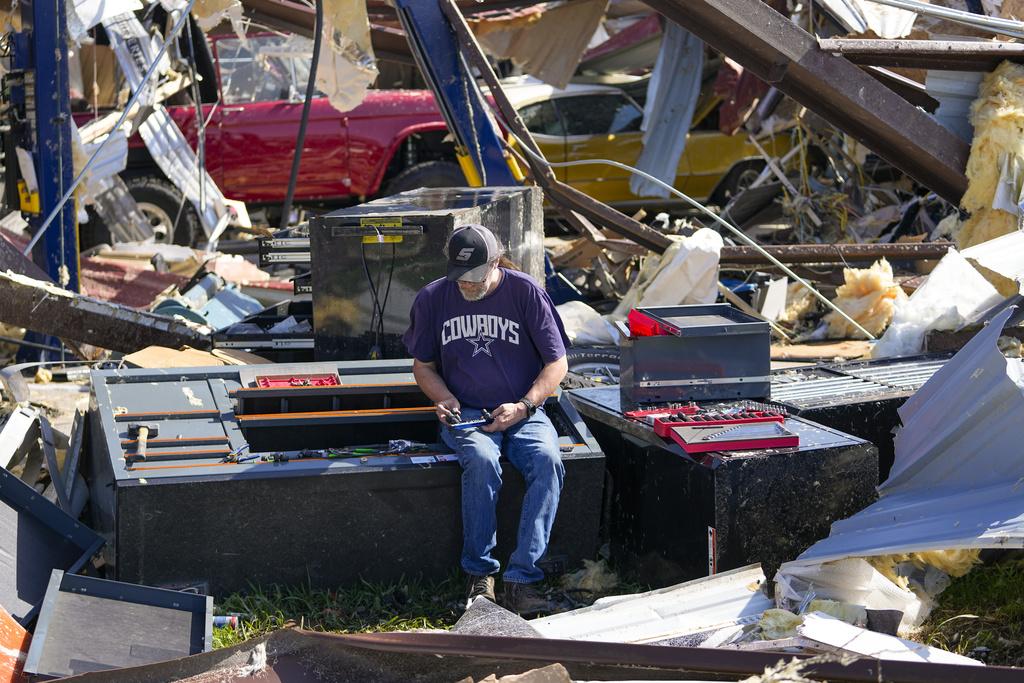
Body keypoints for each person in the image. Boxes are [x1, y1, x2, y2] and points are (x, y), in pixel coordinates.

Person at [402, 224, 570, 616]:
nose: (466, 285)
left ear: (495, 263)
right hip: (468, 413)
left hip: (524, 408)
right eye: (459, 277)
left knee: (549, 461)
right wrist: (442, 397)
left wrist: (526, 405)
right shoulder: (433, 298)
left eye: (475, 277)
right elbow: (423, 365)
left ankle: (521, 580)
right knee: (481, 460)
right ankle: (479, 576)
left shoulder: (526, 292)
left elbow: (557, 362)